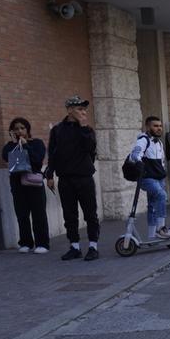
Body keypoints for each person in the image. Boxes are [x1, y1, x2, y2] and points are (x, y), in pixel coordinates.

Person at [44, 96, 101, 261]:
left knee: (90, 213)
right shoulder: (57, 130)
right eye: (79, 109)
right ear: (69, 110)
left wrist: (83, 128)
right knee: (69, 215)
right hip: (65, 179)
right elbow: (53, 153)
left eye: (84, 109)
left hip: (84, 177)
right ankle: (74, 246)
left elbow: (90, 149)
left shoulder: (87, 130)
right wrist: (49, 174)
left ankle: (93, 246)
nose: (83, 112)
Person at [1, 117, 50, 253]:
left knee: (38, 214)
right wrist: (14, 143)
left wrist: (26, 145)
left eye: (22, 128)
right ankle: (26, 242)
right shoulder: (11, 145)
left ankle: (42, 243)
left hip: (33, 182)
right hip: (17, 184)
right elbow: (5, 156)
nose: (19, 131)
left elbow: (37, 160)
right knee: (22, 214)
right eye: (16, 129)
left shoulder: (37, 143)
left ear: (27, 129)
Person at [128, 116, 170, 241]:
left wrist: (163, 172)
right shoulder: (143, 140)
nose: (159, 128)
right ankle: (161, 228)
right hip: (147, 178)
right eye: (155, 126)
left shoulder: (159, 142)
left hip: (159, 178)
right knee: (162, 195)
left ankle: (152, 235)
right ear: (147, 127)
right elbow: (135, 154)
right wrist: (138, 161)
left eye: (160, 126)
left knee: (152, 205)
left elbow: (161, 161)